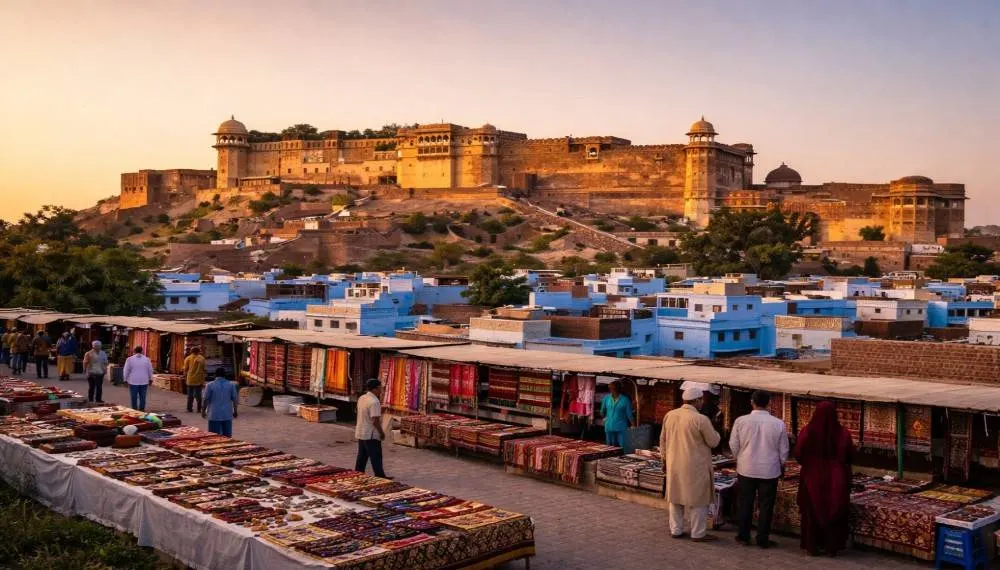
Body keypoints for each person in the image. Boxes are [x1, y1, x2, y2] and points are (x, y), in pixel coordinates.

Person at [730, 390, 790, 549]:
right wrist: (781, 463)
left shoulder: (741, 421)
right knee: (766, 506)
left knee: (745, 503)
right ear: (768, 403)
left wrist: (740, 458)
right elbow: (784, 450)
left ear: (752, 402)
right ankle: (762, 539)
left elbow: (733, 445)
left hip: (746, 468)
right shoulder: (778, 424)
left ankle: (743, 536)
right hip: (769, 470)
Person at [660, 387, 722, 542]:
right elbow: (713, 441)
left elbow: (663, 440)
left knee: (675, 498)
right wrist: (717, 431)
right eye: (701, 400)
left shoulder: (670, 415)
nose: (702, 403)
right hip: (696, 466)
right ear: (697, 401)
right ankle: (698, 533)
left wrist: (664, 460)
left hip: (674, 463)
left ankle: (676, 530)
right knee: (698, 501)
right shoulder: (700, 419)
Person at [794, 401, 854, 557]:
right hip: (836, 478)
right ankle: (831, 547)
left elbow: (799, 453)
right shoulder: (843, 434)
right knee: (834, 509)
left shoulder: (807, 432)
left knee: (812, 511)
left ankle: (812, 546)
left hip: (812, 477)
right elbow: (850, 455)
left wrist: (810, 463)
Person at [355, 378, 388, 478]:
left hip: (361, 431)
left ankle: (358, 473)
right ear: (375, 389)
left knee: (362, 456)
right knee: (376, 456)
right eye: (379, 388)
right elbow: (375, 420)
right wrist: (381, 433)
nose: (381, 391)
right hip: (371, 433)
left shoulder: (362, 398)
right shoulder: (374, 402)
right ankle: (380, 475)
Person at [202, 367, 239, 437]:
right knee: (227, 437)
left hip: (214, 414)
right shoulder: (231, 385)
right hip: (227, 414)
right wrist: (235, 411)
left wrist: (203, 411)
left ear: (215, 375)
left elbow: (205, 399)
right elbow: (234, 399)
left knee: (213, 437)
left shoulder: (209, 385)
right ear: (225, 375)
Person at [599, 381, 635, 447]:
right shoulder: (606, 398)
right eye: (610, 388)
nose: (612, 390)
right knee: (609, 446)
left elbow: (629, 414)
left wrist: (633, 425)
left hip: (621, 427)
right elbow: (602, 411)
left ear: (618, 388)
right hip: (609, 426)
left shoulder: (625, 400)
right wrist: (605, 418)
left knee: (622, 445)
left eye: (613, 388)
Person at [123, 346, 153, 411]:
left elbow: (126, 370)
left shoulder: (129, 359)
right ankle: (142, 409)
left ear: (134, 351)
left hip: (133, 381)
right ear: (142, 351)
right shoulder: (147, 359)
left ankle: (134, 409)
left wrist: (125, 379)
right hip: (144, 381)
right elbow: (150, 370)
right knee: (143, 397)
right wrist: (151, 379)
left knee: (134, 397)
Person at [182, 347, 207, 413]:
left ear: (191, 351)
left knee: (190, 395)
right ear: (199, 351)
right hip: (199, 379)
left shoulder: (188, 358)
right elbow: (205, 369)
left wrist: (184, 376)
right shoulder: (202, 358)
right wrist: (204, 379)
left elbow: (185, 369)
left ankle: (189, 408)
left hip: (190, 379)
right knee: (198, 395)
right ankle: (199, 409)